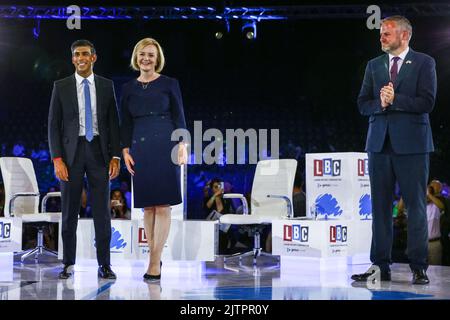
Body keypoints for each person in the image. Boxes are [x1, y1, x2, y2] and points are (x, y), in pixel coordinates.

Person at [353, 16, 437, 285]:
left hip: (413, 146)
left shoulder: (424, 62)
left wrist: (395, 100)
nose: (381, 37)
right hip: (378, 145)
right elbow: (362, 104)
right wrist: (380, 103)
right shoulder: (373, 65)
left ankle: (418, 266)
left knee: (415, 208)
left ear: (405, 35)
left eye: (387, 33)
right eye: (381, 33)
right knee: (379, 208)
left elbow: (427, 101)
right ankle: (380, 266)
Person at [48, 39, 120, 280]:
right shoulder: (61, 86)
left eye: (85, 54)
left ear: (93, 57)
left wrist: (116, 156)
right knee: (69, 212)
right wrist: (57, 159)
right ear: (72, 59)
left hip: (99, 153)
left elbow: (114, 124)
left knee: (102, 212)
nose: (81, 58)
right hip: (71, 155)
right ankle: (68, 263)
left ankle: (105, 265)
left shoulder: (107, 86)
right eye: (77, 54)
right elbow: (53, 127)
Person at [120, 38, 187, 282]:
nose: (146, 58)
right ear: (136, 58)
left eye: (150, 54)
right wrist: (125, 150)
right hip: (140, 145)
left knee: (163, 205)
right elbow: (124, 122)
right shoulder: (127, 87)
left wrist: (183, 145)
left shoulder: (170, 83)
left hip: (166, 143)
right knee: (148, 206)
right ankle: (154, 258)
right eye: (142, 54)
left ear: (157, 58)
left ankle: (153, 262)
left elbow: (179, 115)